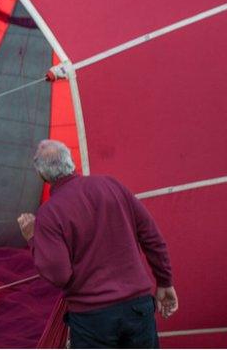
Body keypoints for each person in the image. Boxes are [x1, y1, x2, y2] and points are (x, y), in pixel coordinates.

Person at [17, 139, 177, 349]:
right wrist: (165, 281)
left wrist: (32, 238)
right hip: (137, 308)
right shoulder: (112, 186)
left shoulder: (49, 214)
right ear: (72, 162)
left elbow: (59, 274)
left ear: (42, 176)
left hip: (93, 318)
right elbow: (152, 237)